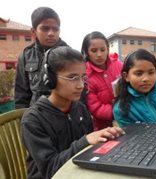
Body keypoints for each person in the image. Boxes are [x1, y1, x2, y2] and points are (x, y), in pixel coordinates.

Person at [21, 46, 125, 179]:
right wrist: (86, 141)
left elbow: (88, 151)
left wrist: (107, 141)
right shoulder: (33, 120)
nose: (81, 85)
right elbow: (50, 169)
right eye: (72, 77)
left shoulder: (80, 109)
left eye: (83, 77)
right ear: (50, 78)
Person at [14, 6, 69, 109]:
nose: (51, 33)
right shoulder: (26, 56)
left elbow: (78, 89)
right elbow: (21, 94)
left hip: (62, 113)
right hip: (36, 116)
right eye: (45, 28)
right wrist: (23, 118)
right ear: (33, 31)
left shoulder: (68, 54)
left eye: (55, 29)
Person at [81, 31, 123, 131]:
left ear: (108, 49)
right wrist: (117, 112)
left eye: (103, 49)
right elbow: (95, 107)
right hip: (103, 128)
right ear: (86, 52)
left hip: (128, 119)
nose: (99, 54)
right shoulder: (85, 76)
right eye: (94, 50)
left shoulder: (119, 66)